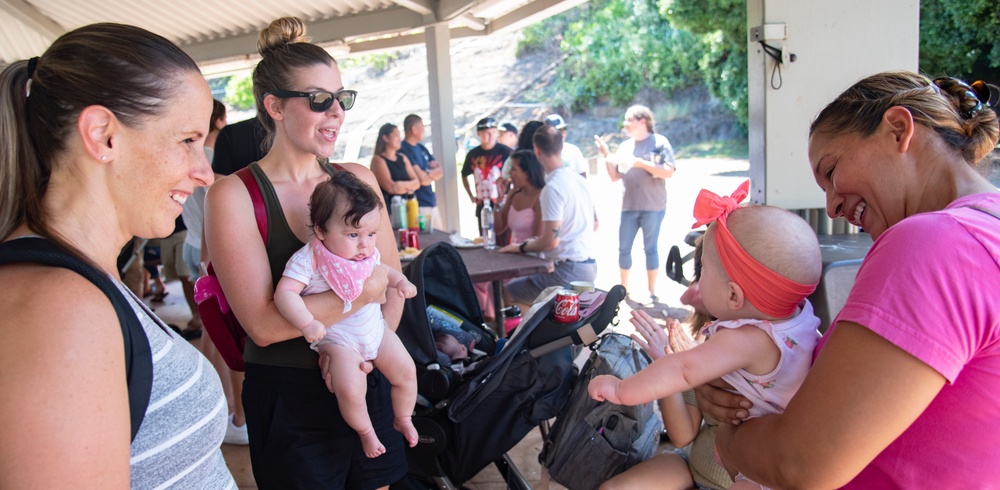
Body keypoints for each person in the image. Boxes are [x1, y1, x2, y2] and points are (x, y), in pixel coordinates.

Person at [702, 72, 1000, 489]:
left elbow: (800, 465)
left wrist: (729, 439)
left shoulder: (936, 244)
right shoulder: (986, 230)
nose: (833, 206)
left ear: (898, 129)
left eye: (832, 170)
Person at [0, 23, 234, 487]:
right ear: (104, 134)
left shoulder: (83, 284)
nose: (204, 172)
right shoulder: (59, 310)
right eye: (187, 140)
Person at [204, 16, 408, 488]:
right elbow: (265, 325)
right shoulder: (234, 195)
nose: (336, 112)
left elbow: (392, 285)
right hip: (289, 396)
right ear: (274, 105)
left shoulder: (357, 177)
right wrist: (359, 300)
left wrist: (362, 355)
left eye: (342, 98)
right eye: (319, 100)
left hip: (365, 375)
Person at [589, 180, 823, 490]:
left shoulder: (747, 340)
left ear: (733, 295)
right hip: (734, 463)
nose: (695, 285)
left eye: (704, 270)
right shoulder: (801, 320)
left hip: (755, 473)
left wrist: (621, 390)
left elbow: (683, 370)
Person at [274, 172, 418, 458]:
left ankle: (404, 417)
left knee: (407, 371)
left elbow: (384, 271)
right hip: (339, 341)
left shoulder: (366, 253)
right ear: (321, 230)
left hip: (376, 330)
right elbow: (284, 294)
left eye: (371, 234)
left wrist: (400, 282)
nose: (364, 244)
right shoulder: (309, 258)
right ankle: (366, 432)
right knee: (351, 390)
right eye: (353, 234)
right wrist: (307, 322)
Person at [601, 236, 732, 490]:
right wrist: (667, 364)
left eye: (705, 273)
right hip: (692, 466)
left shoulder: (781, 345)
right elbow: (683, 436)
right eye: (699, 273)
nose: (686, 295)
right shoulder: (709, 338)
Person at [500, 125, 597, 311]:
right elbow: (594, 224)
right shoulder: (579, 180)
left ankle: (524, 339)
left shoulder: (552, 188)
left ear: (536, 150)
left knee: (509, 291)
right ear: (561, 147)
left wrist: (520, 247)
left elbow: (550, 241)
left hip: (567, 270)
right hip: (589, 266)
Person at [595, 105, 676, 305]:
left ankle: (652, 291)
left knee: (650, 249)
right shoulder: (624, 147)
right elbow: (615, 177)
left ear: (642, 121)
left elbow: (669, 171)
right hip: (629, 207)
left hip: (653, 207)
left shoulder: (659, 142)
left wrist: (641, 163)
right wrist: (606, 155)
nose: (625, 124)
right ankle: (624, 289)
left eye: (628, 120)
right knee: (623, 249)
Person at [462, 117, 512, 228]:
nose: (490, 136)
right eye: (486, 133)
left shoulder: (505, 152)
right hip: (482, 202)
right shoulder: (473, 154)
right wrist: (471, 195)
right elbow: (464, 174)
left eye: (493, 132)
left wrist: (509, 195)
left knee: (502, 233)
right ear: (479, 134)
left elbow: (515, 174)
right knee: (483, 233)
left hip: (501, 202)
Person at [399, 114, 444, 229]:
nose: (424, 130)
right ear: (414, 129)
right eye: (422, 127)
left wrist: (427, 173)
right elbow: (422, 180)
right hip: (418, 204)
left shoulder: (422, 148)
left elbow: (440, 171)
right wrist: (429, 174)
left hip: (431, 201)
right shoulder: (404, 149)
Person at [371, 122, 421, 207]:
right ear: (385, 138)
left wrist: (400, 185)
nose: (399, 139)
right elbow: (391, 188)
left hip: (408, 206)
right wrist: (409, 187)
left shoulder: (403, 157)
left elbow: (417, 183)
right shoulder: (378, 160)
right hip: (390, 210)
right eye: (396, 135)